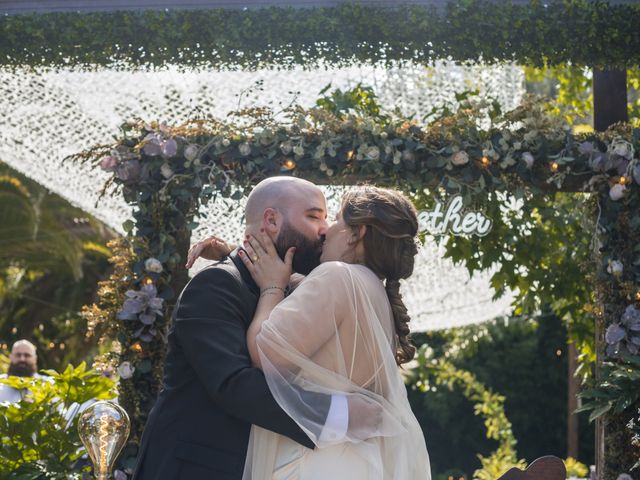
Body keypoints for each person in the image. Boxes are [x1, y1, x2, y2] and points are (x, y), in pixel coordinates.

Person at [133, 177, 380, 480]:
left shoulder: (289, 286)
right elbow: (234, 385)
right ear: (271, 220)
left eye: (327, 217)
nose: (325, 228)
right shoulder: (215, 284)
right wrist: (338, 415)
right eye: (314, 216)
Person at [195, 185, 431, 480]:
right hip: (353, 459)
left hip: (315, 462)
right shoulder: (372, 290)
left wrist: (272, 288)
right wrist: (238, 251)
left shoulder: (337, 277)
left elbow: (264, 352)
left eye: (336, 220)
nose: (326, 231)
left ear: (358, 233)